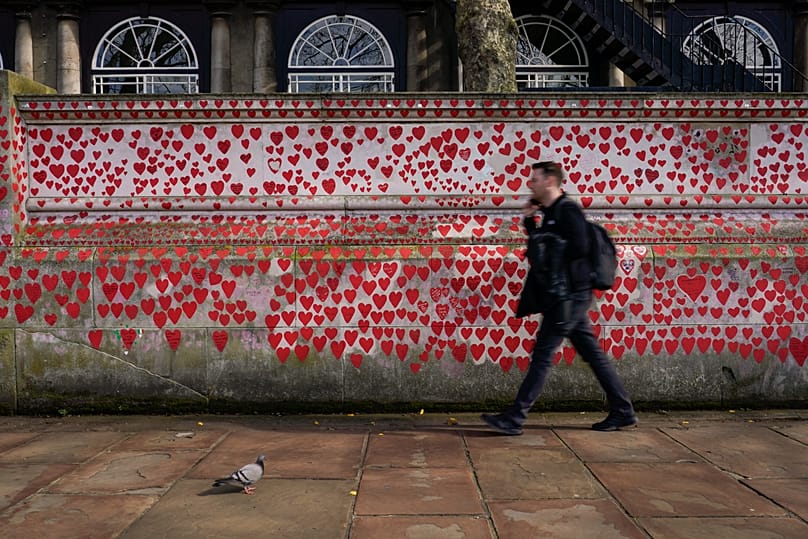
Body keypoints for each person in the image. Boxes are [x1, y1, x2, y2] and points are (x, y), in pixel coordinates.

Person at [481, 161, 637, 434]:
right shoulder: (552, 213)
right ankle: (623, 410)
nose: (531, 184)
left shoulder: (567, 211)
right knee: (593, 354)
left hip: (569, 297)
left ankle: (515, 417)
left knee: (542, 355)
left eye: (535, 179)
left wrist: (550, 243)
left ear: (550, 181)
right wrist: (531, 223)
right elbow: (542, 252)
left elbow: (579, 247)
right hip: (567, 296)